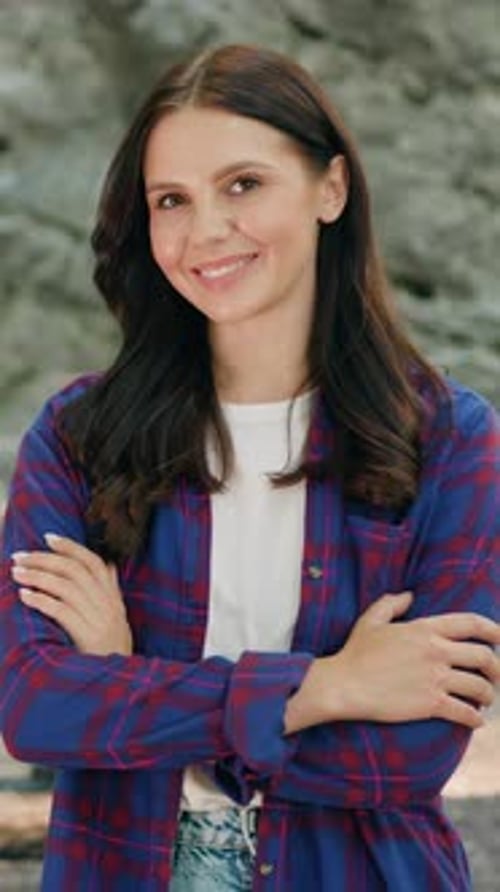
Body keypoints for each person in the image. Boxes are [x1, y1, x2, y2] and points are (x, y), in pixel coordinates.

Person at [0, 43, 499, 892]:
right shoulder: (80, 435)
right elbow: (34, 707)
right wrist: (325, 688)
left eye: (243, 185)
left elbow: (410, 754)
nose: (205, 232)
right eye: (171, 200)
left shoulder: (450, 439)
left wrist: (127, 685)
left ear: (330, 189)